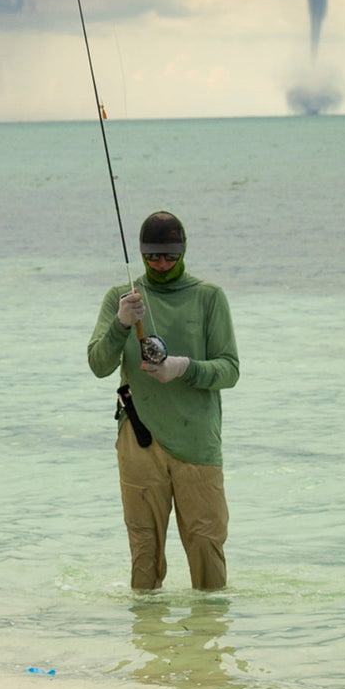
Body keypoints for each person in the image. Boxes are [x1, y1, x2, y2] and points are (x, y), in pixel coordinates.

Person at [87, 211, 238, 591]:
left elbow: (230, 369)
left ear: (183, 251)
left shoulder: (209, 297)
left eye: (169, 256)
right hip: (140, 439)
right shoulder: (122, 298)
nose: (161, 264)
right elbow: (98, 365)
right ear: (140, 254)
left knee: (206, 547)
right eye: (152, 256)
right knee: (144, 551)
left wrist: (182, 367)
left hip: (197, 443)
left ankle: (207, 638)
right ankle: (147, 639)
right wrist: (121, 324)